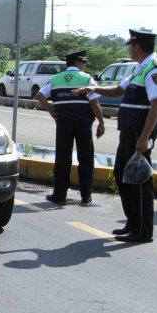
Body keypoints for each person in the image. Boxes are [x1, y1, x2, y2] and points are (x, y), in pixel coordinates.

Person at [73, 28, 157, 242]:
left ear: (137, 45)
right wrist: (92, 89)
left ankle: (143, 230)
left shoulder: (154, 69)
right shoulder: (139, 68)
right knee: (122, 174)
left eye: (131, 45)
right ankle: (133, 221)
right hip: (129, 130)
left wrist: (144, 138)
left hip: (139, 131)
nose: (130, 49)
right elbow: (118, 90)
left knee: (140, 179)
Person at [35, 49, 106, 204]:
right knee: (86, 158)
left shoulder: (55, 79)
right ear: (78, 62)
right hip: (83, 123)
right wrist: (101, 121)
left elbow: (40, 96)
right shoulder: (87, 78)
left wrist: (51, 112)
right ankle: (86, 195)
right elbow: (94, 102)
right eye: (84, 62)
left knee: (63, 158)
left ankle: (59, 195)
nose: (85, 66)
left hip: (63, 123)